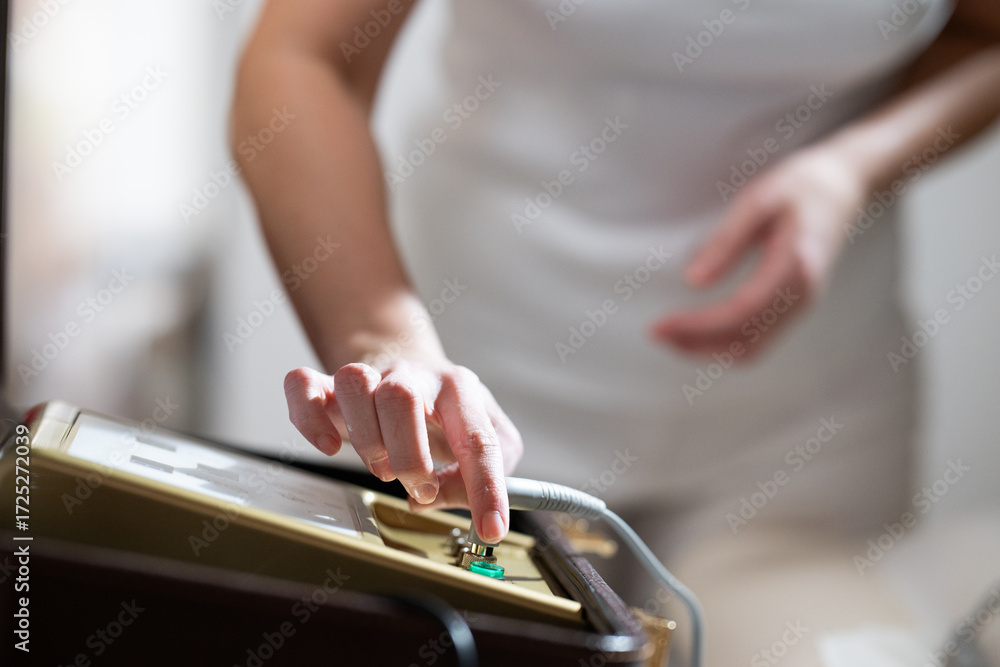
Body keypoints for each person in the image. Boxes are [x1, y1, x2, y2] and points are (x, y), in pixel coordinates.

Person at [231, 1, 1000, 664]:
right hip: (474, 434)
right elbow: (304, 56)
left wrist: (853, 166)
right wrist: (381, 339)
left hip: (800, 442)